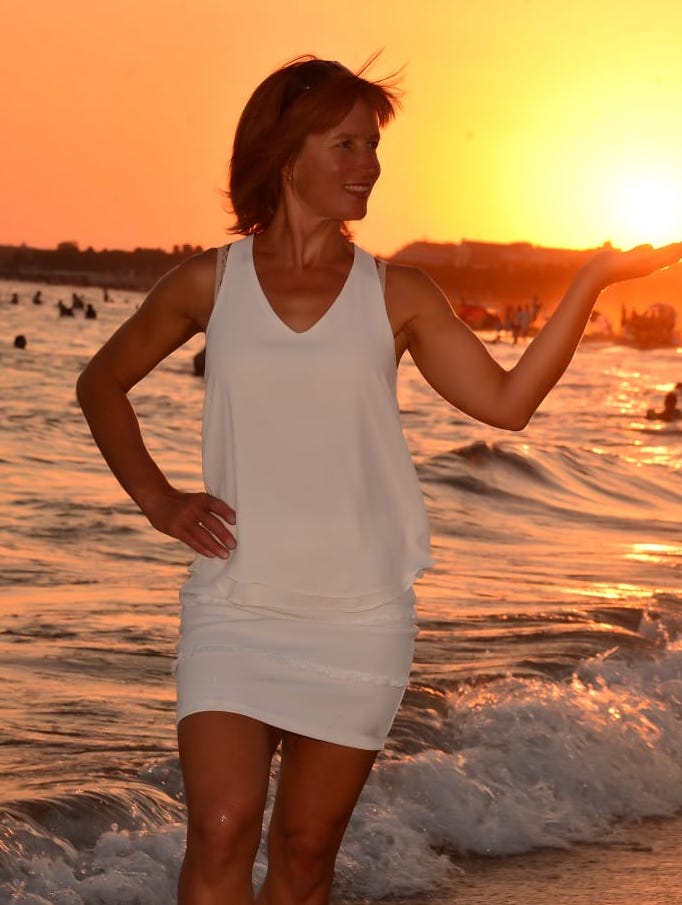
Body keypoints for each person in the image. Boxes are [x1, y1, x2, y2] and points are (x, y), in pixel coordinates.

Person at [75, 56, 682, 905]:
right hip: (235, 603)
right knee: (220, 828)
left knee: (305, 853)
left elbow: (507, 403)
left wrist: (588, 280)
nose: (370, 164)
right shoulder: (209, 283)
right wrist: (159, 499)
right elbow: (102, 383)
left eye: (374, 146)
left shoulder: (398, 294)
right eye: (348, 144)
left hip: (360, 616)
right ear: (288, 153)